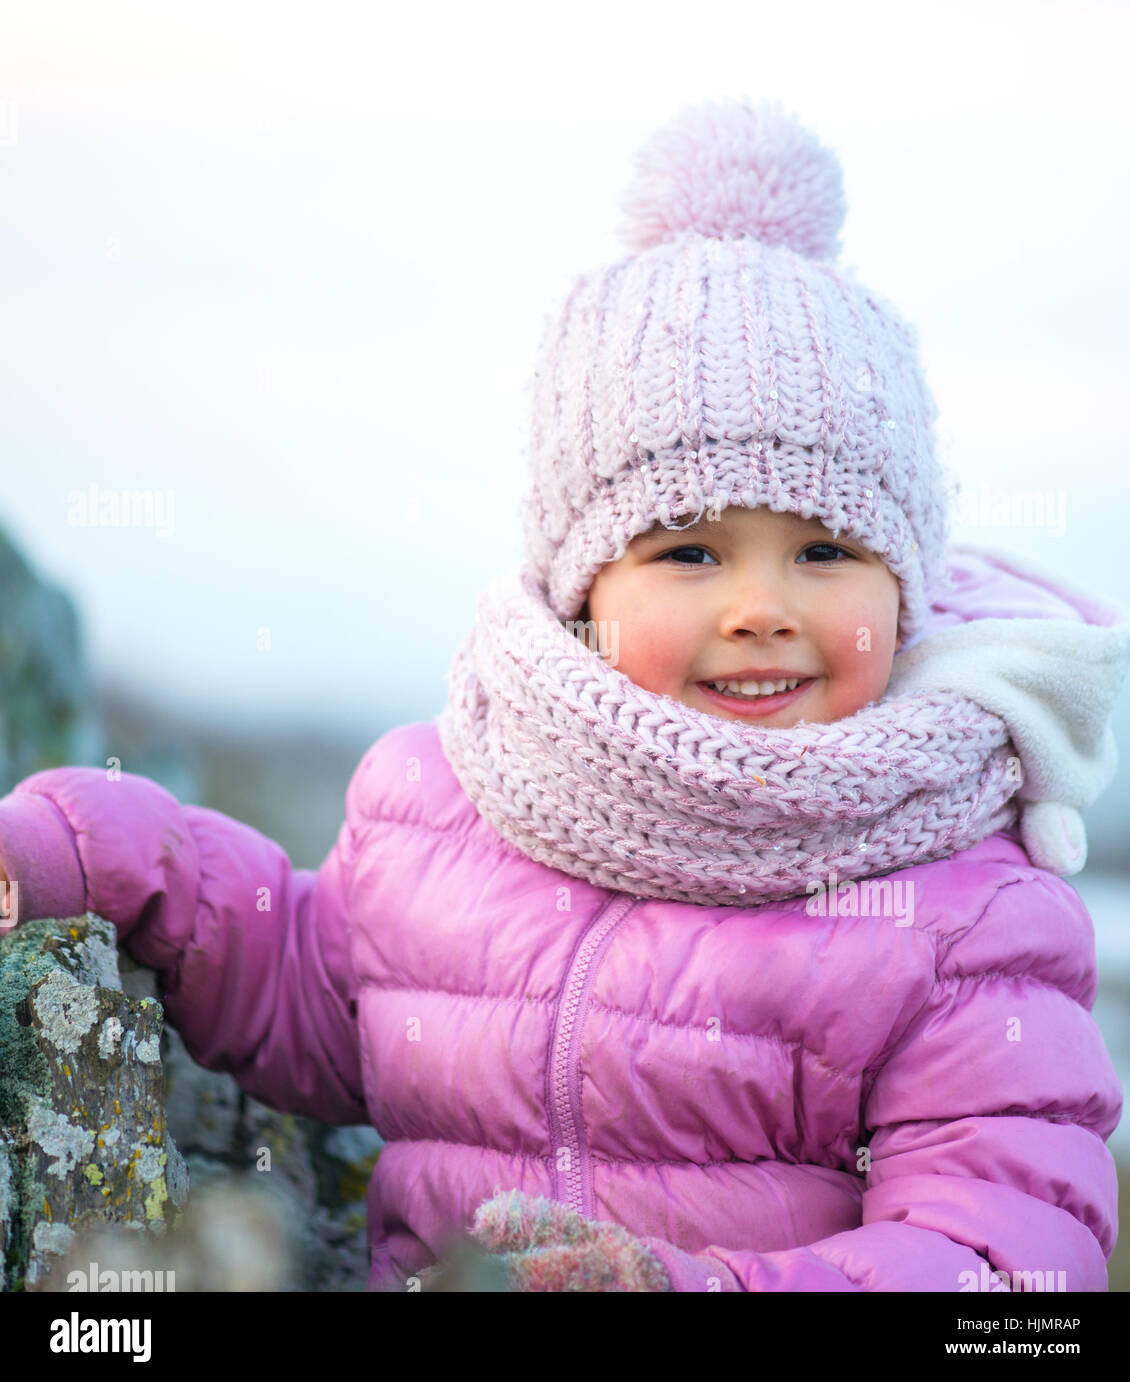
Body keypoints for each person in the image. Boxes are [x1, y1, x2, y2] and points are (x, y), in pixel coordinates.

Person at [1, 96, 1127, 1293]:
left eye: (824, 550)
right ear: (583, 586)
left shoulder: (958, 916)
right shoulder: (453, 808)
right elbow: (318, 998)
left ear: (901, 588)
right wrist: (86, 847)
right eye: (688, 552)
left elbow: (1001, 1261)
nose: (760, 606)